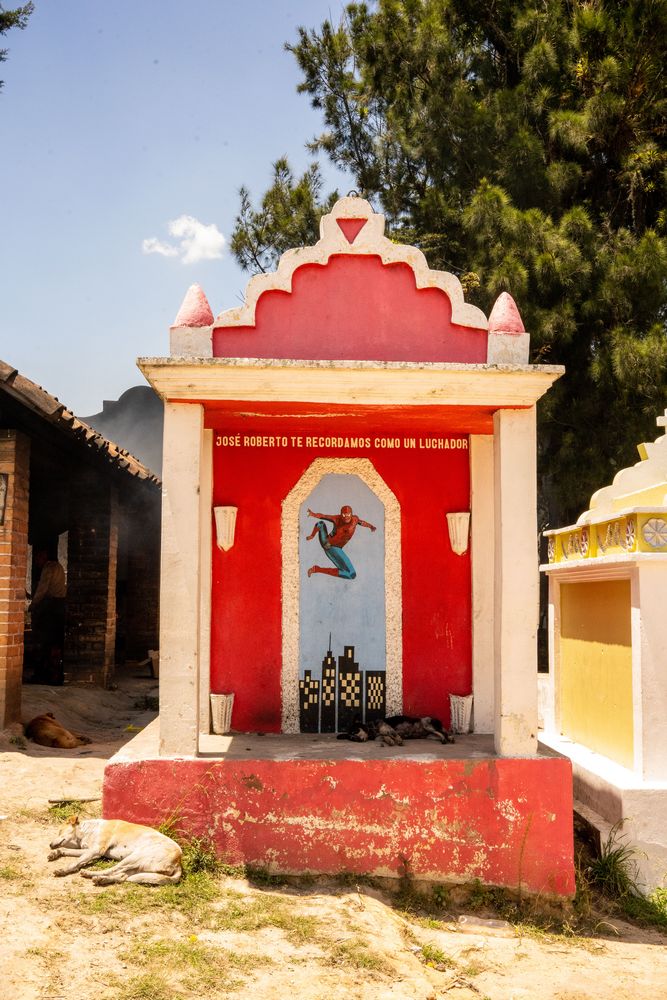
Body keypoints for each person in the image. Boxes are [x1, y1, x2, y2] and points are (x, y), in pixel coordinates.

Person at [305, 504, 376, 579]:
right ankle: (316, 569)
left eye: (348, 514)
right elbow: (323, 516)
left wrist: (371, 526)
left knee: (351, 574)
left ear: (351, 514)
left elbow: (362, 522)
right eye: (344, 515)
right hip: (329, 544)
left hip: (338, 547)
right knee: (320, 523)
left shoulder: (355, 519)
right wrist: (312, 515)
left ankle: (316, 569)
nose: (346, 517)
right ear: (341, 515)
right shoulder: (337, 518)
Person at [29, 547, 66, 684]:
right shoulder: (60, 567)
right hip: (61, 607)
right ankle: (54, 674)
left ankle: (44, 675)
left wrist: (33, 605)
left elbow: (42, 589)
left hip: (51, 609)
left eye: (38, 558)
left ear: (43, 557)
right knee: (56, 643)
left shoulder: (48, 568)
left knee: (45, 643)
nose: (37, 561)